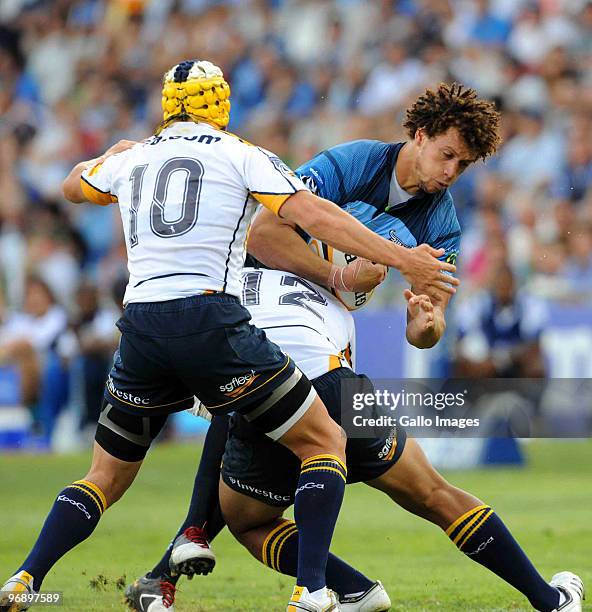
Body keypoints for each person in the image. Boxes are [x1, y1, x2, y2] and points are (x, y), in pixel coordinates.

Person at [0, 60, 455, 612]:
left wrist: (107, 155)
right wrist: (403, 259)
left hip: (140, 331)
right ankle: (312, 590)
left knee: (102, 477)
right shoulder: (242, 154)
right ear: (222, 104)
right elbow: (316, 216)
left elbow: (73, 186)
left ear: (169, 104)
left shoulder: (136, 158)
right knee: (322, 440)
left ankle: (25, 579)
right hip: (211, 323)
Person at [126, 82, 504, 608]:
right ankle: (288, 582)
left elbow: (427, 331)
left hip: (319, 339)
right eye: (447, 156)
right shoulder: (355, 163)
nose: (450, 173)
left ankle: (183, 568)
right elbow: (263, 236)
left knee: (248, 497)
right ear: (419, 136)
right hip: (263, 304)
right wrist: (337, 276)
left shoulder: (442, 221)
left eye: (462, 166)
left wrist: (423, 320)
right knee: (248, 428)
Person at [129, 266, 584, 612]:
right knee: (436, 494)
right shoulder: (322, 286)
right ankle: (549, 600)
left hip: (272, 391)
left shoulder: (223, 286)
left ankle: (332, 587)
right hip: (342, 388)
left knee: (249, 522)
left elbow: (222, 411)